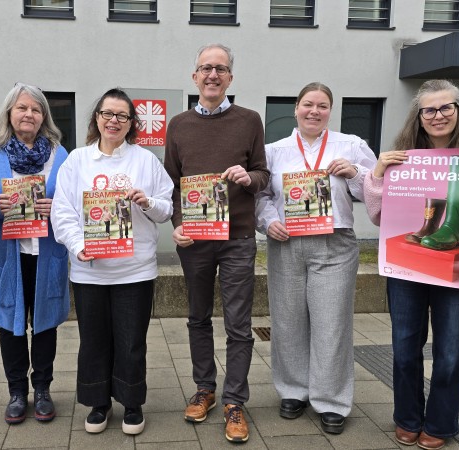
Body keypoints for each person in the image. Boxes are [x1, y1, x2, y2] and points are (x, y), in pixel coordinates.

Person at [363, 79, 459, 449]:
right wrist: (378, 173)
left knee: (450, 354)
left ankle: (441, 423)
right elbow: (378, 217)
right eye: (429, 109)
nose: (438, 115)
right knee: (403, 350)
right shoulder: (403, 156)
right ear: (418, 116)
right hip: (406, 275)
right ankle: (408, 418)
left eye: (446, 107)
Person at [255, 82, 377, 435]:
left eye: (322, 106)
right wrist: (269, 221)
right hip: (287, 243)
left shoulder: (351, 145)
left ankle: (331, 400)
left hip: (334, 244)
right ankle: (293, 391)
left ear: (330, 110)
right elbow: (261, 194)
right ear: (296, 108)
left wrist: (355, 173)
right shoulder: (274, 151)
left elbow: (375, 189)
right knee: (288, 320)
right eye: (308, 104)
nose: (314, 111)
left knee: (331, 324)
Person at [51, 88, 173, 436]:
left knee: (132, 339)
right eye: (108, 114)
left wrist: (147, 202)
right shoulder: (77, 160)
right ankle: (99, 402)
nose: (114, 121)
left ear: (131, 123)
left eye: (122, 116)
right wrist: (77, 246)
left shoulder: (146, 160)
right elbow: (63, 212)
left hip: (135, 270)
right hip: (90, 271)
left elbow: (167, 209)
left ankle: (131, 402)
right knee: (93, 340)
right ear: (97, 118)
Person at [163, 43, 270, 443]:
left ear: (230, 78)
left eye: (220, 69)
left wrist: (249, 178)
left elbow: (264, 174)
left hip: (238, 238)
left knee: (239, 325)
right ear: (194, 77)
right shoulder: (179, 124)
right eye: (205, 68)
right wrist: (176, 222)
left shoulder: (250, 120)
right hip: (195, 240)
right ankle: (205, 389)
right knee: (197, 317)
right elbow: (171, 184)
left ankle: (235, 401)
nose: (212, 75)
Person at [0, 83, 70, 425]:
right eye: (21, 108)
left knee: (45, 324)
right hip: (9, 257)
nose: (29, 114)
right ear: (9, 113)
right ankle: (17, 392)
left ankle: (42, 389)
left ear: (44, 116)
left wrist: (56, 206)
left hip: (47, 256)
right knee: (10, 325)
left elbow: (75, 206)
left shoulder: (60, 154)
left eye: (35, 109)